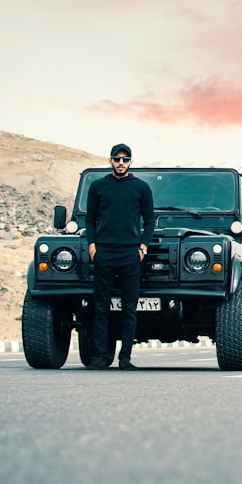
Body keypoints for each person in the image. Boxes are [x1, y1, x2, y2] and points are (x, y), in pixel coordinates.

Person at [85, 144, 155, 370]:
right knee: (100, 307)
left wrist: (142, 247)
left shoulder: (141, 188)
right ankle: (100, 357)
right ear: (110, 161)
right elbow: (90, 219)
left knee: (129, 308)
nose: (121, 163)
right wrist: (92, 245)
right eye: (117, 159)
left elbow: (150, 221)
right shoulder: (97, 186)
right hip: (103, 252)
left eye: (125, 160)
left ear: (131, 162)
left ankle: (125, 357)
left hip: (130, 254)